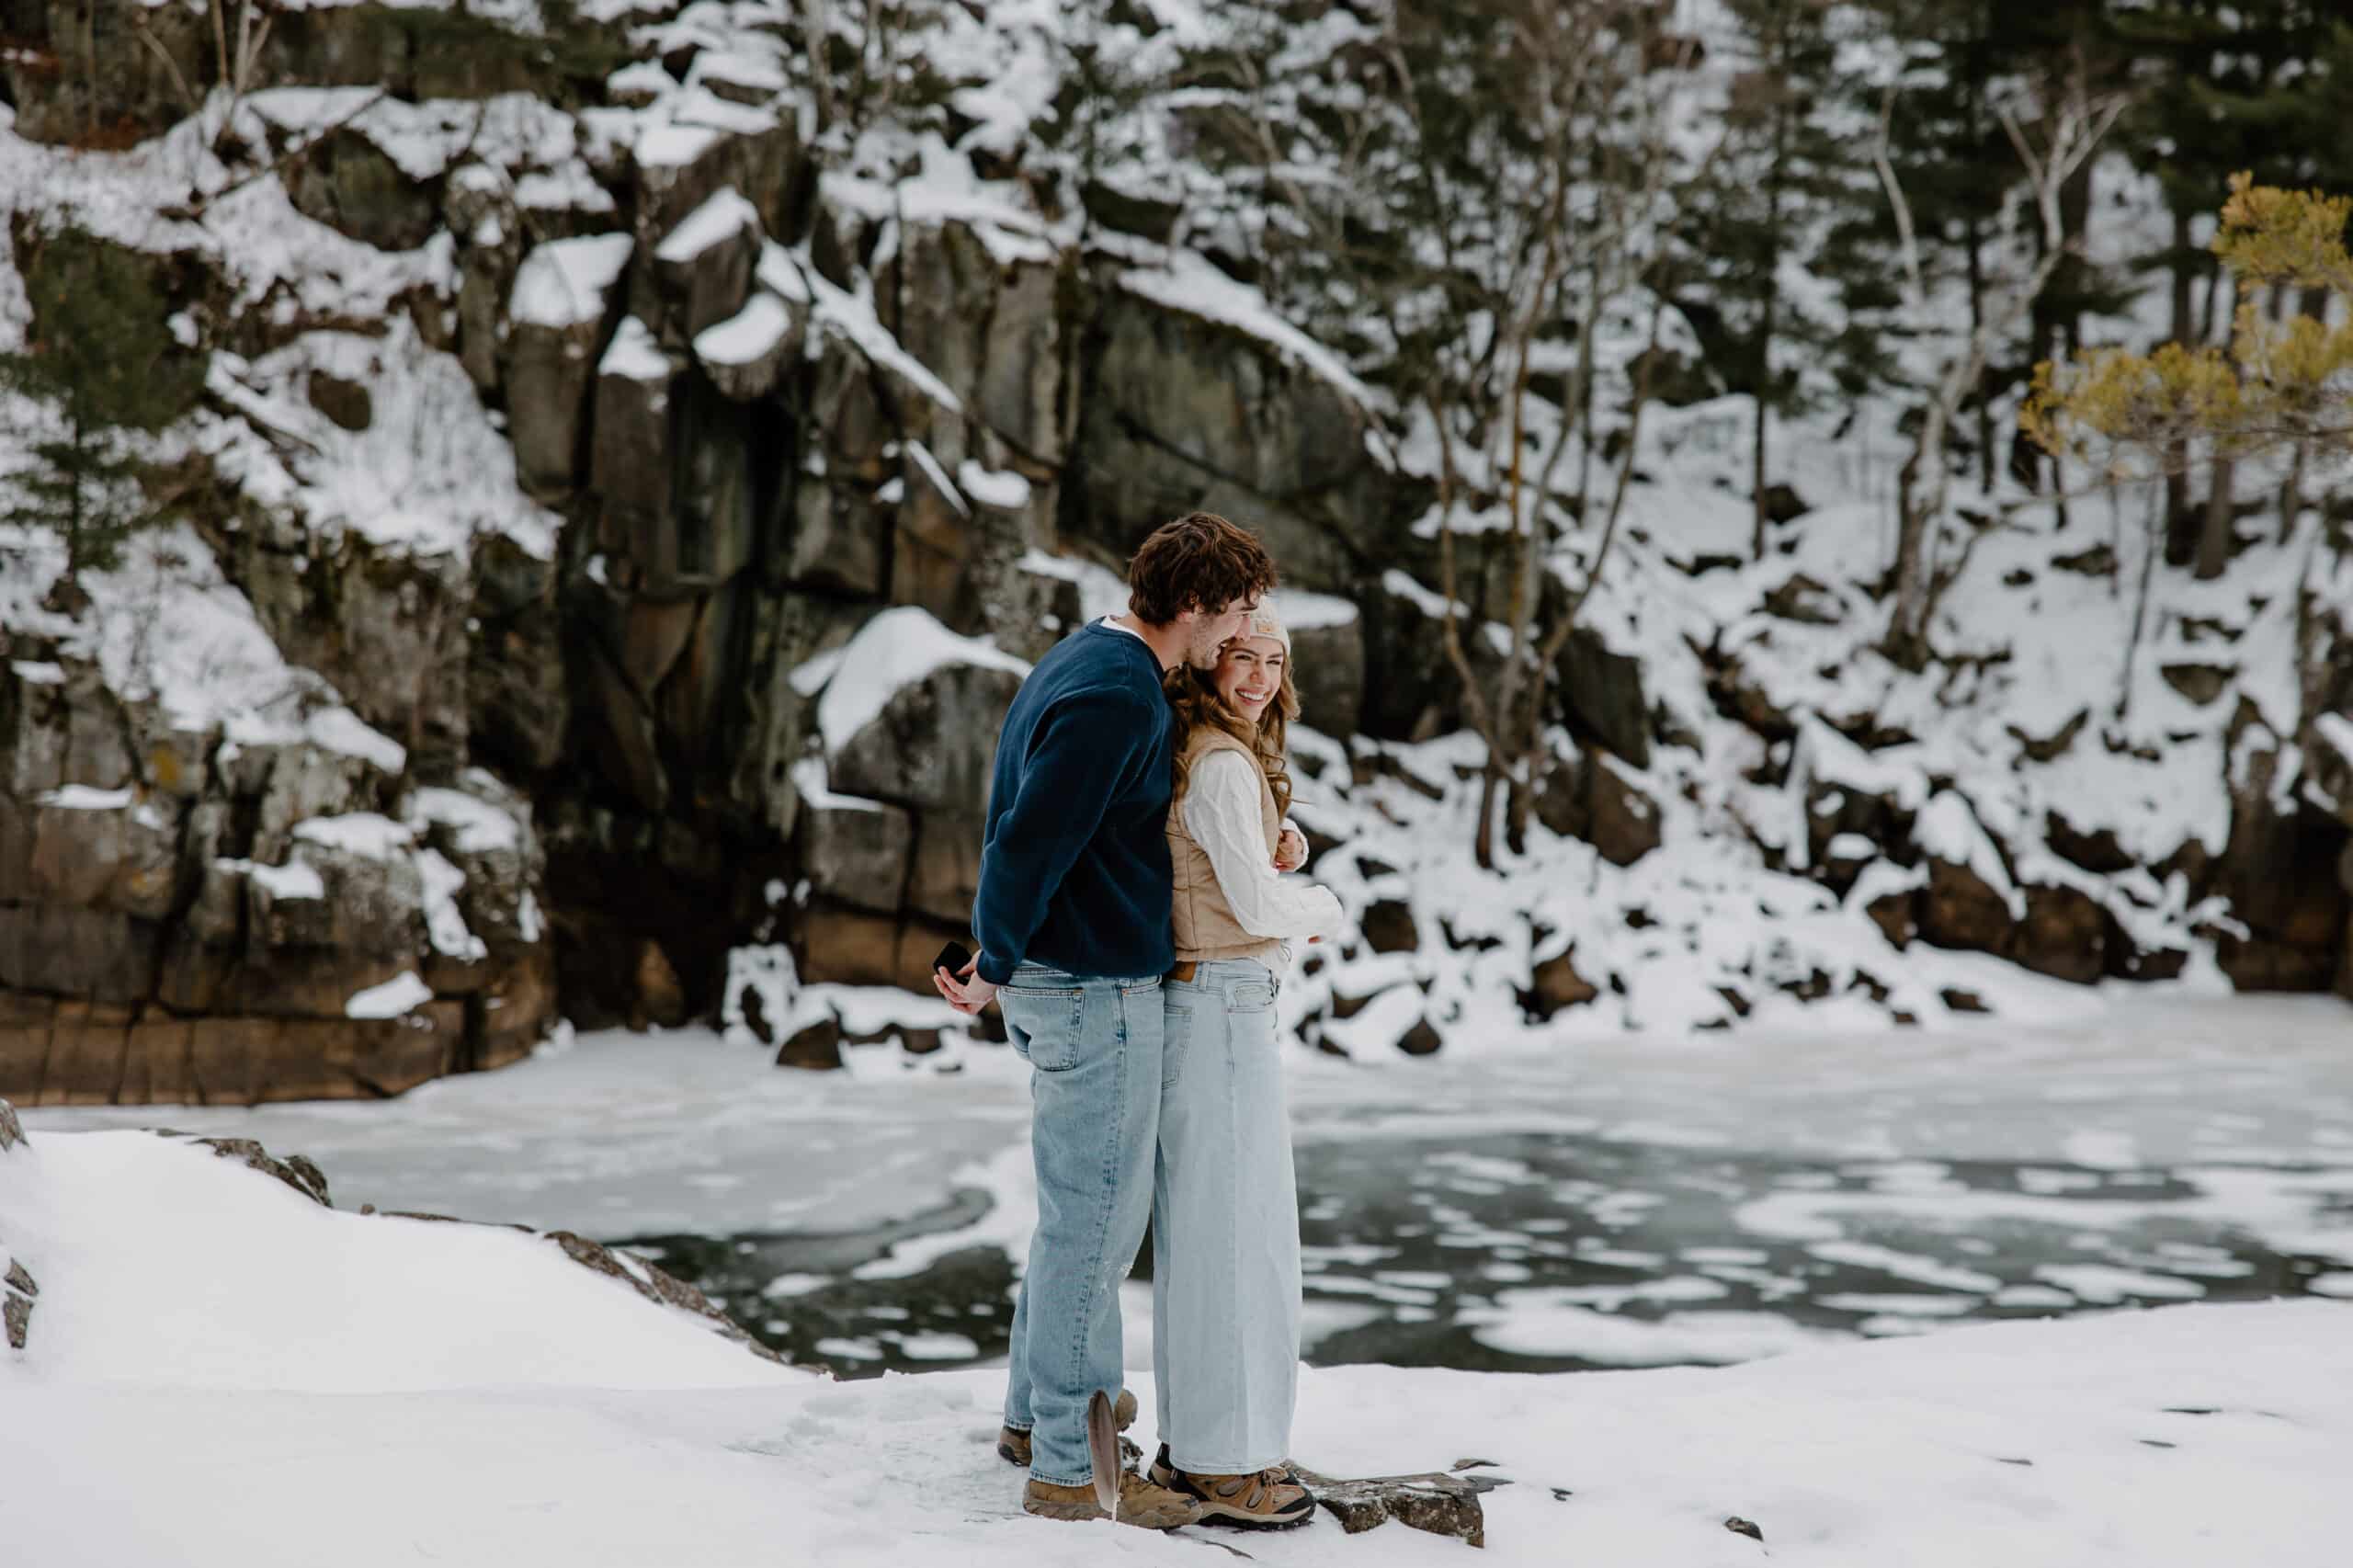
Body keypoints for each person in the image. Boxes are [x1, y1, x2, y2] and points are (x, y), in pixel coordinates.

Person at [934, 512, 1279, 1528]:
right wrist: (996, 960)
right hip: (1091, 989)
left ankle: (1029, 1417)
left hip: (1068, 978)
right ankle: (1068, 1469)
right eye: (1235, 612)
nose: (1243, 632)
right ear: (1194, 604)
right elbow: (1026, 840)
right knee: (1094, 1229)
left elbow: (1035, 826)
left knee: (1072, 1218)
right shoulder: (1121, 694)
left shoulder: (1090, 656)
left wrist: (1004, 958)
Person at [1143, 601, 1346, 1530]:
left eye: (1274, 661)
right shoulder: (1223, 762)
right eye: (1242, 657)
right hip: (1222, 1007)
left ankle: (1202, 1444)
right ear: (1210, 662)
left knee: (1212, 1236)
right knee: (1237, 1240)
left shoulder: (1212, 752)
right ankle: (1224, 1464)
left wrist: (1276, 841)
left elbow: (1221, 864)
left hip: (1210, 1004)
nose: (1261, 677)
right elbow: (1256, 906)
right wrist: (1324, 903)